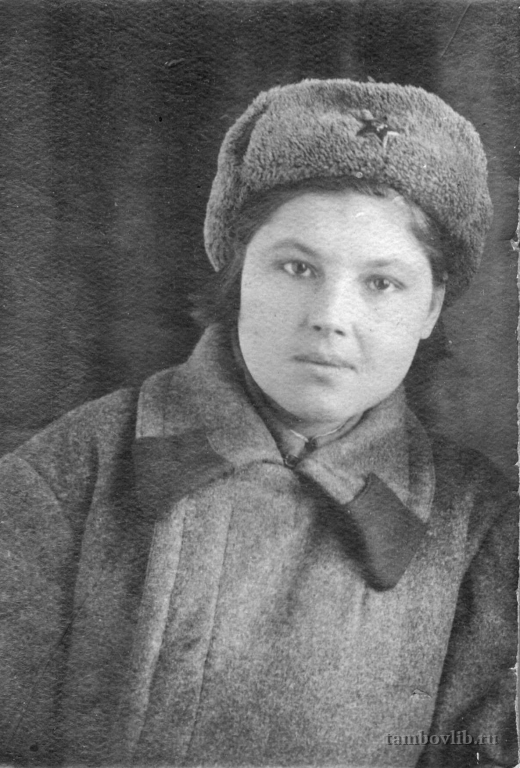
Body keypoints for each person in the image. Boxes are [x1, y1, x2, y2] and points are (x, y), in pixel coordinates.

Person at [0, 79, 517, 768]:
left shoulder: (479, 527)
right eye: (297, 267)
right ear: (240, 271)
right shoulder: (70, 474)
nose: (330, 317)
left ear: (430, 307)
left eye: (382, 282)